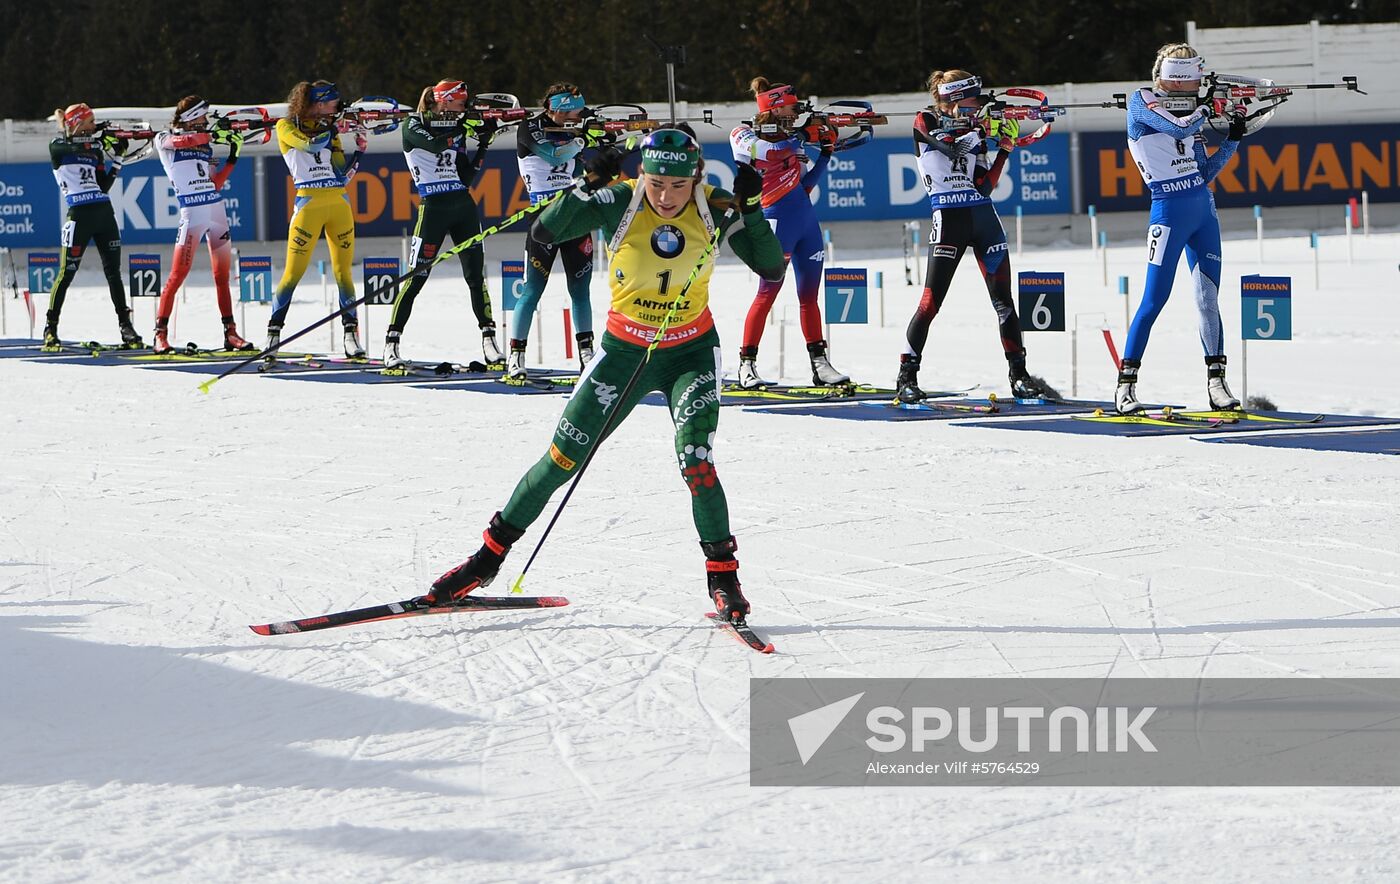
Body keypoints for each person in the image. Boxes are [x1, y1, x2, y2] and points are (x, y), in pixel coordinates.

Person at [425, 128, 785, 625]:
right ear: (642, 174)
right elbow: (544, 232)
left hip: (689, 355)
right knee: (560, 459)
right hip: (621, 353)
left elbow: (770, 267)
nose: (665, 196)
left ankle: (723, 578)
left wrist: (750, 209)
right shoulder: (620, 200)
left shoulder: (715, 206)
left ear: (696, 178)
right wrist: (582, 184)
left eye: (678, 186)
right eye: (656, 182)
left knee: (696, 459)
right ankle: (485, 561)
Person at [896, 70, 1049, 404]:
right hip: (948, 218)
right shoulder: (924, 120)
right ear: (953, 98)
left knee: (1004, 302)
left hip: (983, 215)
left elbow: (984, 185)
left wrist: (1005, 148)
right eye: (972, 101)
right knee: (930, 302)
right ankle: (906, 376)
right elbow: (946, 146)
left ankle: (1019, 375)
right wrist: (979, 129)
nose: (978, 107)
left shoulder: (974, 129)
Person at [1115, 44, 1245, 414]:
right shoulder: (1141, 100)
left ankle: (1217, 383)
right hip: (1168, 213)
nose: (1193, 93)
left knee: (1208, 299)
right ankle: (1125, 387)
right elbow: (1175, 124)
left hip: (1203, 210)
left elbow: (1204, 173)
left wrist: (1233, 138)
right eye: (1189, 86)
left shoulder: (1191, 114)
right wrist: (1206, 109)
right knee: (1154, 300)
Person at [729, 78, 848, 389]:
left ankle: (820, 364)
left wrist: (825, 152)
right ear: (777, 108)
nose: (797, 114)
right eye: (793, 109)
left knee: (809, 296)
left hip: (805, 221)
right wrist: (799, 139)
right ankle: (746, 364)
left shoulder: (791, 139)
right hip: (775, 222)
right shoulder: (744, 134)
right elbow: (769, 152)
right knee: (767, 294)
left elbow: (804, 186)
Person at [384, 79, 502, 370]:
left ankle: (489, 340)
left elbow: (465, 177)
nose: (464, 108)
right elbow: (436, 145)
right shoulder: (413, 124)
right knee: (416, 277)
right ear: (445, 101)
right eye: (461, 103)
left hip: (463, 205)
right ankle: (391, 344)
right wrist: (462, 129)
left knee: (476, 276)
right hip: (433, 207)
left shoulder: (456, 127)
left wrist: (483, 145)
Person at [509, 83, 607, 377]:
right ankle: (517, 355)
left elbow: (607, 145)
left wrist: (604, 138)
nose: (574, 119)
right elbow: (553, 156)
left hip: (576, 214)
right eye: (569, 114)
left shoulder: (581, 122)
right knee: (533, 290)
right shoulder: (530, 128)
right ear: (554, 109)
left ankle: (586, 353)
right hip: (545, 217)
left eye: (577, 114)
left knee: (580, 290)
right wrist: (581, 140)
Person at [265, 80, 367, 361]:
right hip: (308, 204)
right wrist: (333, 128)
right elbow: (309, 146)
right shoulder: (286, 126)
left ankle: (350, 335)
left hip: (338, 202)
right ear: (319, 103)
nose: (337, 108)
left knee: (343, 272)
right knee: (293, 272)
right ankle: (273, 334)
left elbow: (339, 174)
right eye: (333, 103)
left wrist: (359, 151)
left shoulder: (330, 129)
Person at [151, 95, 251, 354]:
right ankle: (159, 334)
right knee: (178, 275)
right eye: (201, 117)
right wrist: (212, 134)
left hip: (216, 210)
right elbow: (184, 139)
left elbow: (215, 183)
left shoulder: (204, 146)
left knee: (222, 277)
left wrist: (233, 156)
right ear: (189, 117)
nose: (205, 121)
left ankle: (230, 333)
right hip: (192, 213)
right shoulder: (164, 139)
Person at [43, 103, 145, 350]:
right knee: (66, 273)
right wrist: (99, 139)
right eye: (90, 122)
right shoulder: (59, 147)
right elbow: (71, 145)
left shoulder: (94, 149)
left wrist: (117, 159)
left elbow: (103, 185)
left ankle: (125, 326)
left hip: (103, 212)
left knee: (114, 273)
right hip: (78, 215)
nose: (93, 126)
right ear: (77, 123)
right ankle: (50, 327)